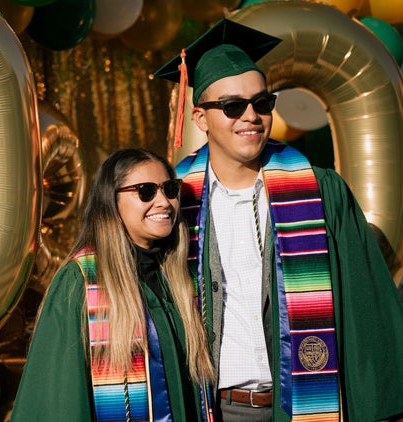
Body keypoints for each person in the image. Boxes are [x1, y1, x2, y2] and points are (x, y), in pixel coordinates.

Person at [154, 18, 403, 422]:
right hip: (213, 409)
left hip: (301, 404)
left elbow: (365, 307)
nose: (251, 115)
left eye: (263, 102)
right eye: (232, 106)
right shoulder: (172, 200)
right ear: (200, 118)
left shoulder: (321, 192)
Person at [11, 148, 214, 421]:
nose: (164, 202)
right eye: (145, 191)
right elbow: (60, 401)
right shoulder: (80, 283)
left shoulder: (177, 279)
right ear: (111, 201)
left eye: (169, 189)